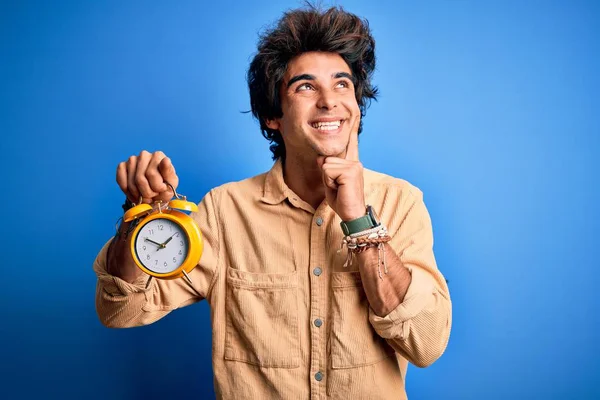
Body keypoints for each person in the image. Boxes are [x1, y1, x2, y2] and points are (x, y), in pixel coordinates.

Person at [93, 5, 452, 399]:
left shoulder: (401, 202)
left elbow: (425, 343)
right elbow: (120, 311)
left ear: (356, 107)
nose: (329, 101)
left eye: (342, 84)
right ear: (272, 116)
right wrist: (137, 218)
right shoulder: (225, 211)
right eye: (305, 87)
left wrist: (359, 222)